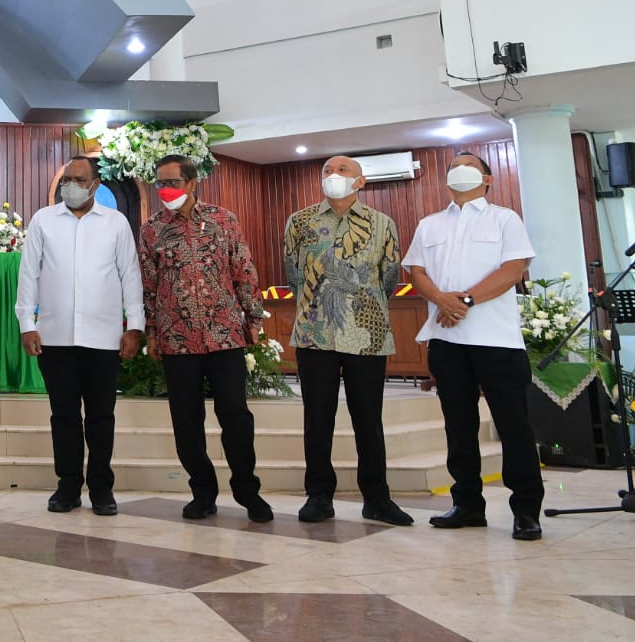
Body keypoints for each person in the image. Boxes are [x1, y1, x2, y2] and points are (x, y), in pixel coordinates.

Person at [403, 151, 543, 541]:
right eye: (453, 167)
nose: (459, 171)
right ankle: (466, 504)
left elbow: (513, 270)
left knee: (514, 425)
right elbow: (417, 271)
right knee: (458, 426)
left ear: (487, 179)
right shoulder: (430, 224)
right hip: (447, 340)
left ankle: (526, 509)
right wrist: (441, 300)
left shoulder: (504, 219)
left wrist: (463, 301)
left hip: (497, 340)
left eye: (469, 166)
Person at [139, 153, 274, 523]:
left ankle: (248, 491)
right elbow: (148, 285)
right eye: (159, 183)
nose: (164, 189)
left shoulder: (223, 219)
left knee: (235, 416)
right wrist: (152, 332)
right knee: (186, 420)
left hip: (224, 335)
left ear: (192, 183)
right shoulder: (151, 229)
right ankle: (202, 492)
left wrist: (254, 318)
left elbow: (243, 270)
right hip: (176, 339)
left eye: (172, 182)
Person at [283, 155, 413, 526]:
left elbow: (389, 277)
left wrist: (362, 304)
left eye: (343, 170)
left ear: (360, 181)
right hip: (314, 333)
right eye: (327, 170)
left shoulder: (382, 223)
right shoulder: (300, 220)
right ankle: (318, 496)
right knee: (317, 418)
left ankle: (377, 499)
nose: (333, 175)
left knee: (368, 418)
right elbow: (293, 273)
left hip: (367, 336)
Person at [16, 156, 142, 515]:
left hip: (103, 338)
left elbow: (130, 274)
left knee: (101, 416)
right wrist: (27, 323)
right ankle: (68, 486)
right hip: (55, 336)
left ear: (95, 185)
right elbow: (29, 273)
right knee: (64, 416)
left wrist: (134, 326)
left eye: (79, 179)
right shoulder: (44, 220)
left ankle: (101, 488)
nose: (70, 186)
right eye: (67, 180)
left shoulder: (115, 223)